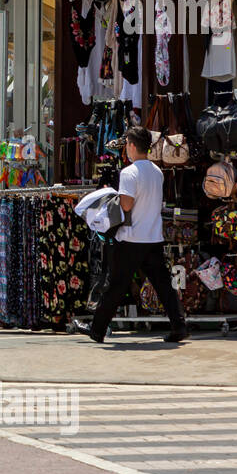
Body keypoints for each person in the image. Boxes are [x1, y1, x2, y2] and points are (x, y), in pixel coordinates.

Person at [76, 125, 190, 344]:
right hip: (152, 236)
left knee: (116, 285)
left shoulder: (129, 172)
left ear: (131, 145)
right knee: (164, 285)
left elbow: (126, 205)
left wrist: (110, 198)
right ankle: (179, 325)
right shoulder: (157, 171)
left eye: (127, 143)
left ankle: (97, 329)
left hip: (130, 238)